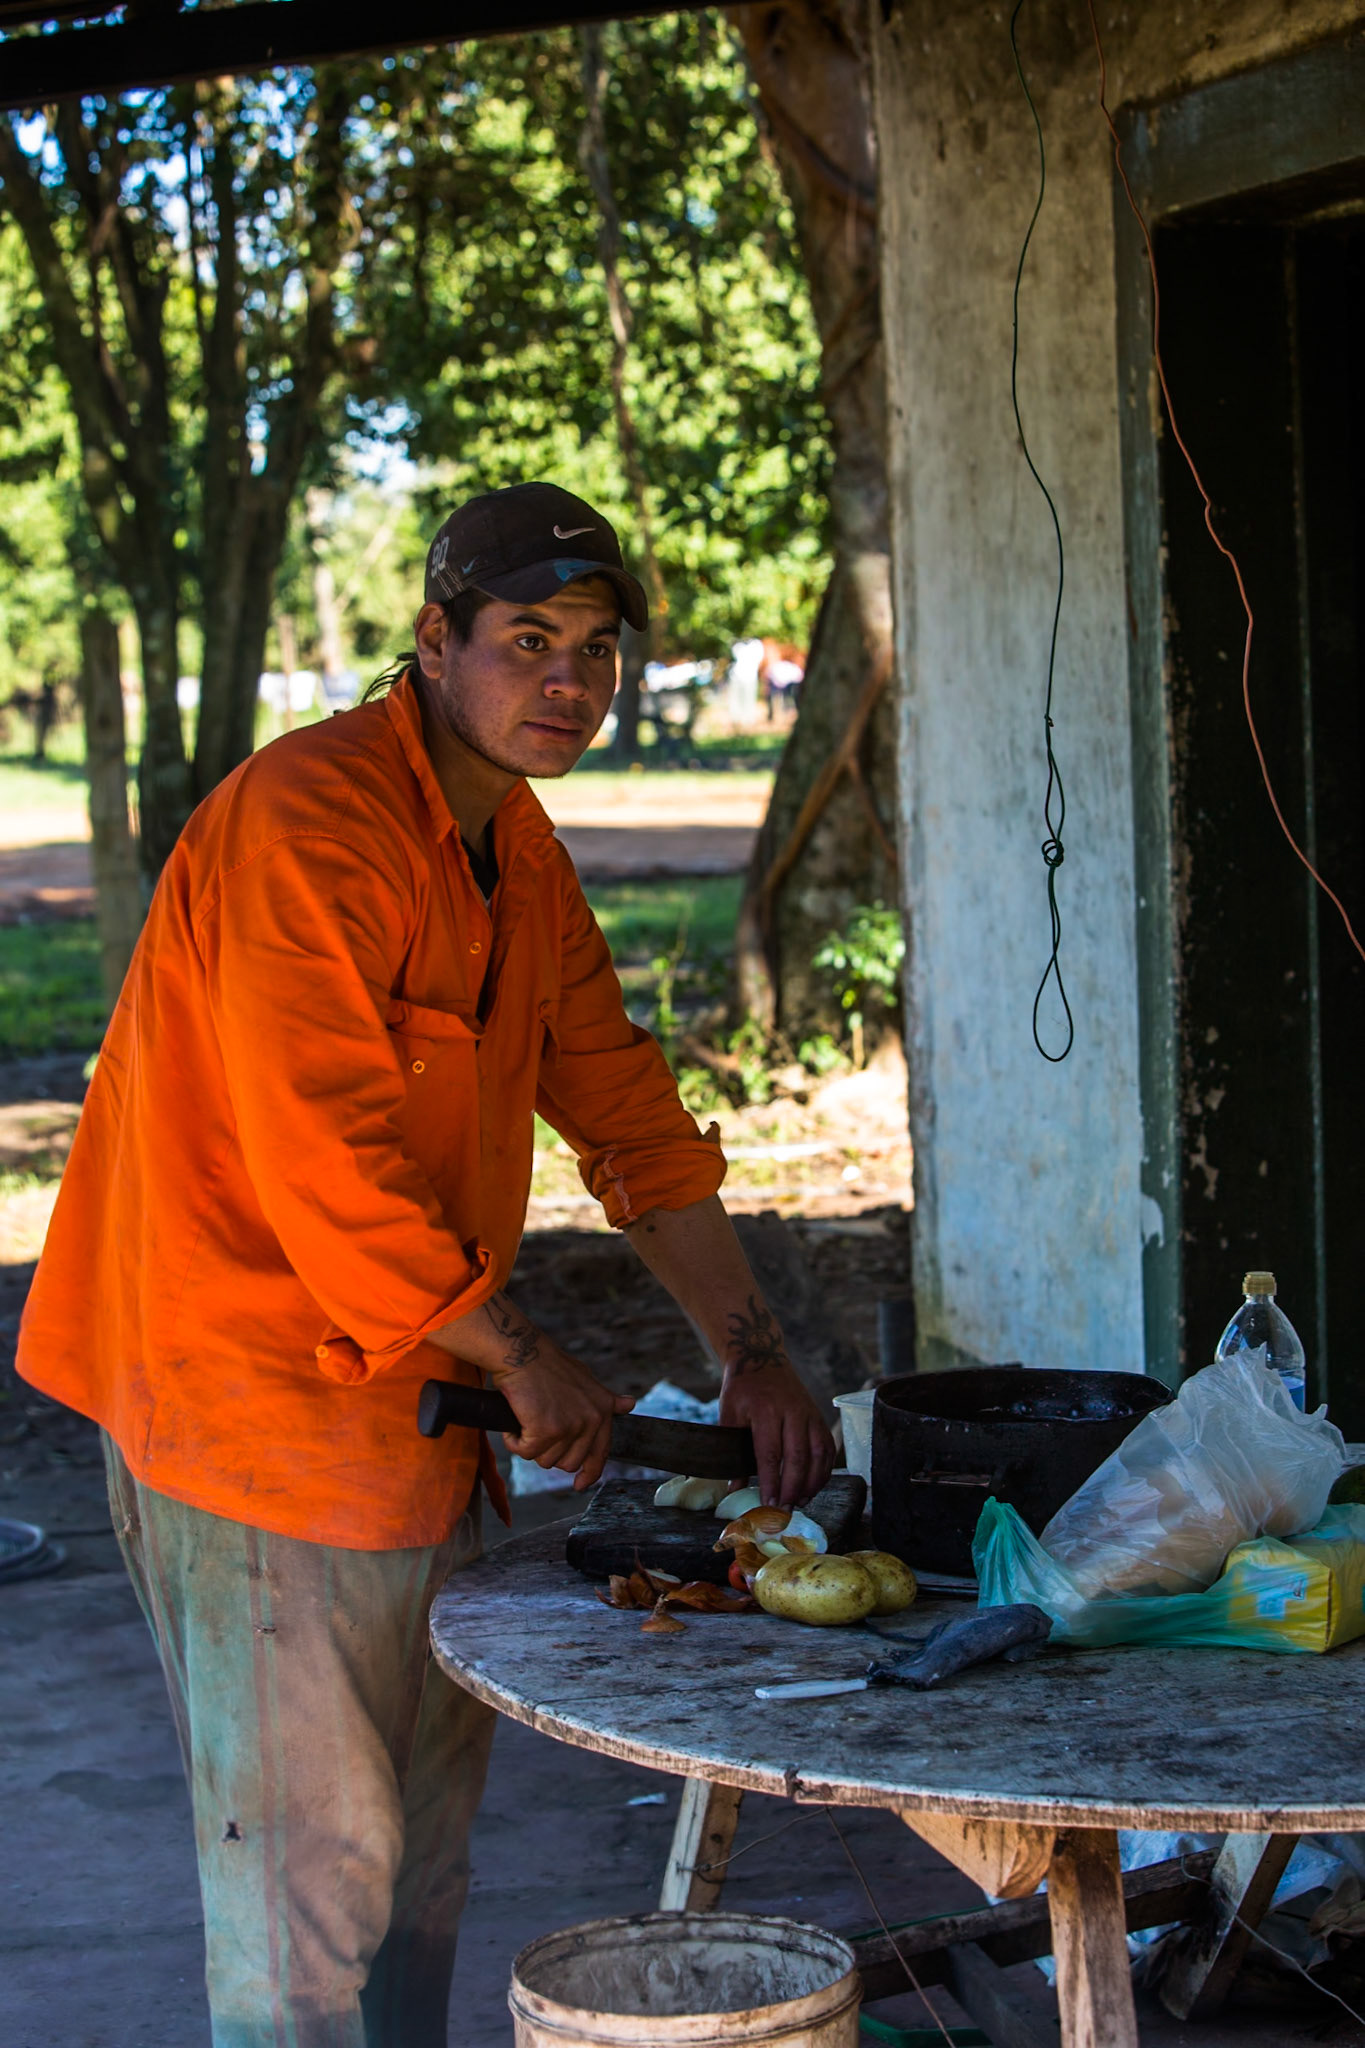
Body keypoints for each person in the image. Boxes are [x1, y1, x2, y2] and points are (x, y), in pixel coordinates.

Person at [17, 481, 834, 2048]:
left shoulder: (514, 850)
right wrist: (525, 1358)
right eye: (527, 641)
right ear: (433, 643)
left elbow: (630, 1122)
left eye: (596, 651)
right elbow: (322, 1165)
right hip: (248, 1421)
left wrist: (750, 1344)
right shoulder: (302, 824)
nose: (568, 685)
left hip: (419, 1419)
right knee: (307, 1911)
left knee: (423, 1883)